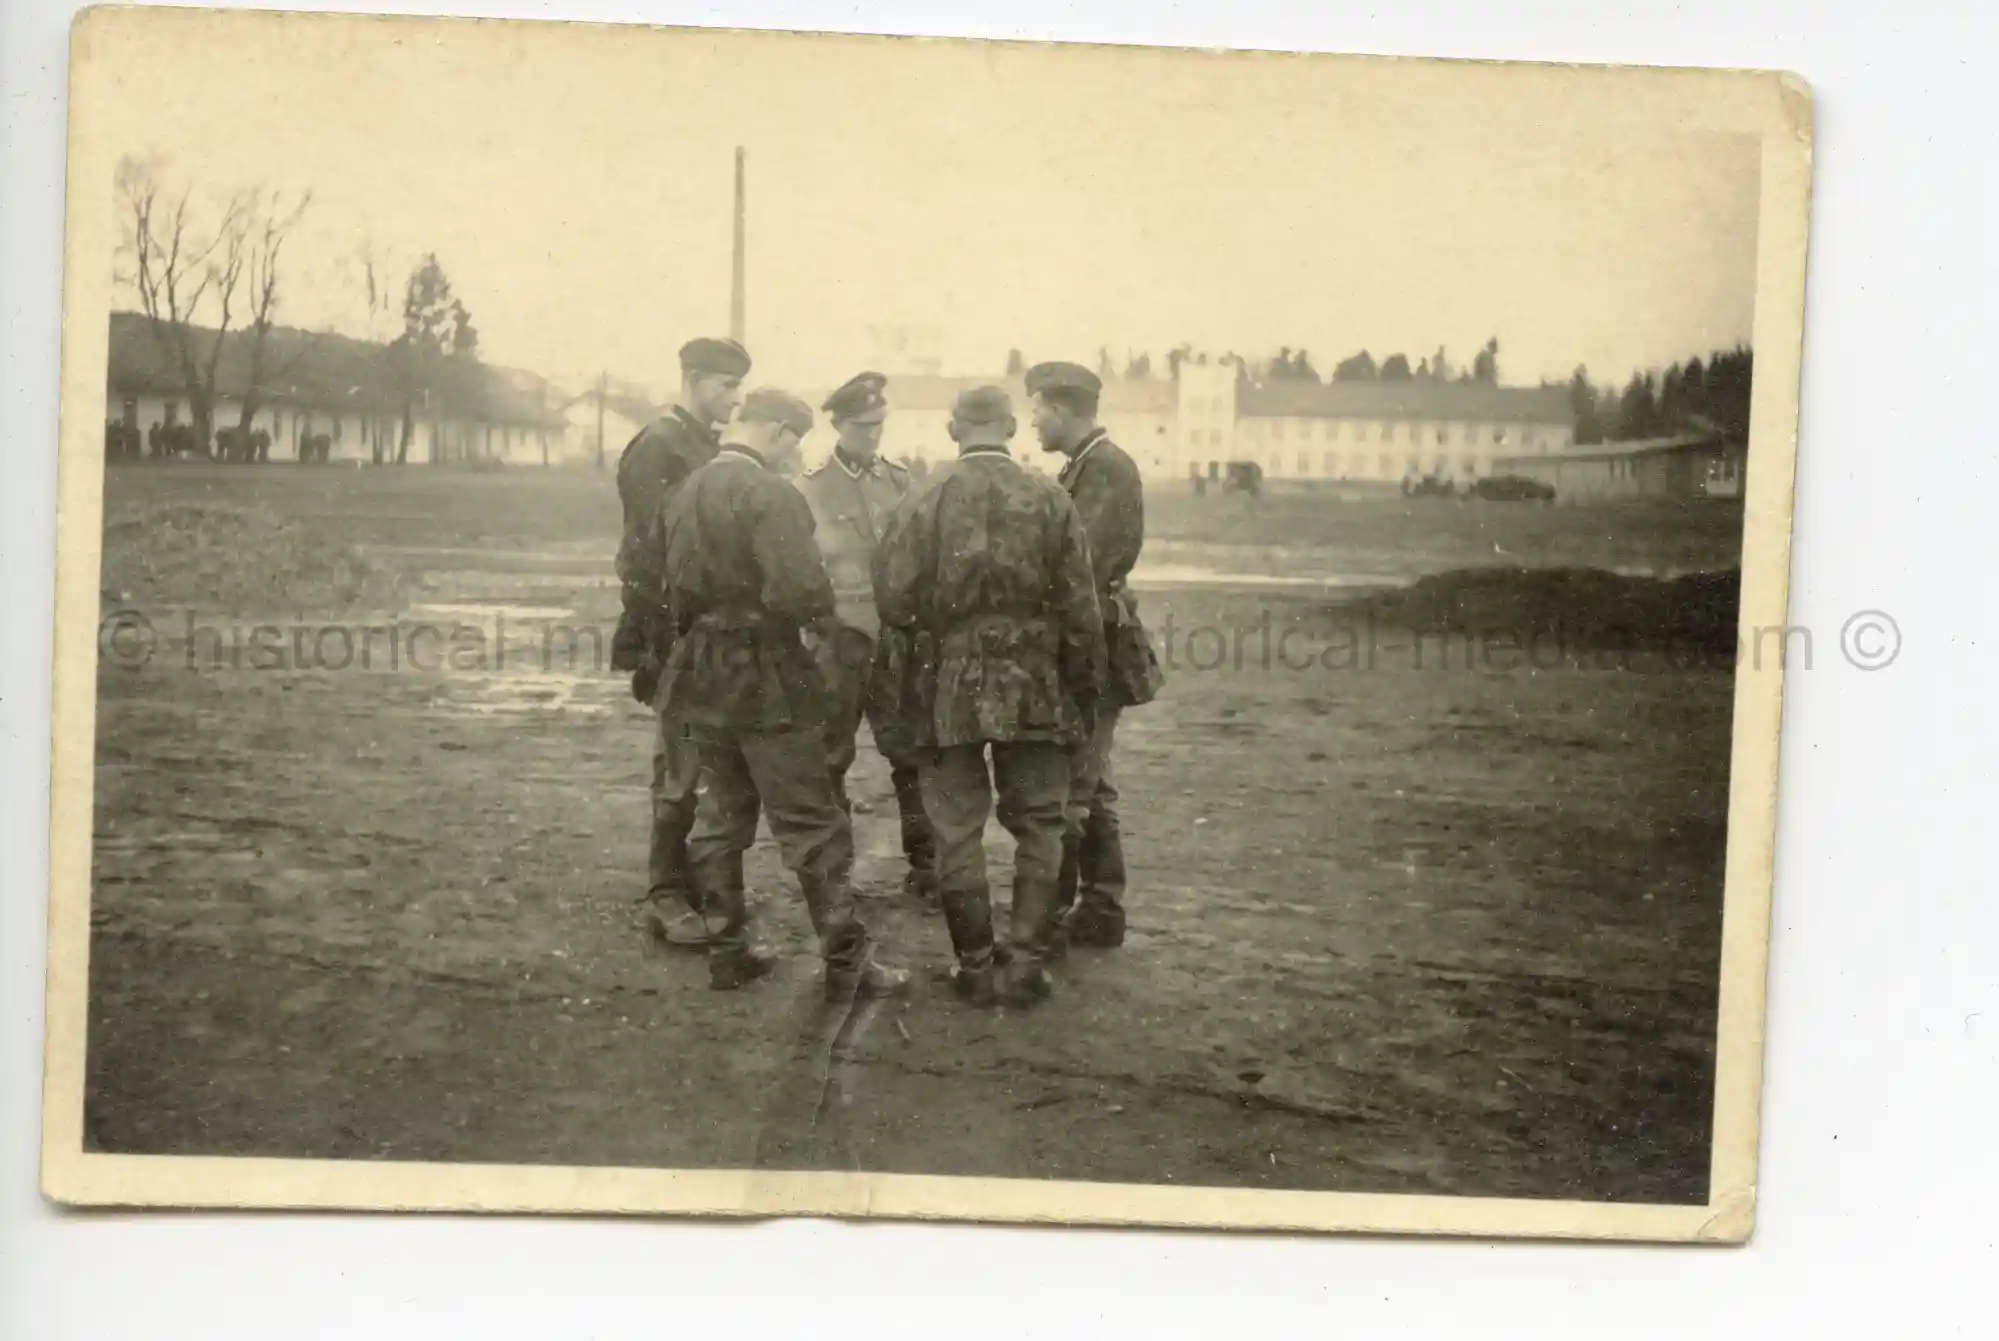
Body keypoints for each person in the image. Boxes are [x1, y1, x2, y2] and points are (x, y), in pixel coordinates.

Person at [655, 387, 909, 999]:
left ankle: (729, 951)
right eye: (792, 438)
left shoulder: (686, 490)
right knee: (811, 819)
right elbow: (801, 591)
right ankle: (847, 966)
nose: (793, 450)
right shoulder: (771, 493)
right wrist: (823, 637)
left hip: (698, 672)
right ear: (778, 433)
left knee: (720, 815)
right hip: (763, 673)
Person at [872, 386, 1106, 1008]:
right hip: (1036, 683)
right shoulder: (1051, 496)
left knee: (956, 828)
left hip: (947, 683)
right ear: (1011, 428)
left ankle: (973, 964)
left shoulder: (921, 496)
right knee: (1041, 825)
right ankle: (1026, 962)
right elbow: (1082, 608)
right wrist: (1084, 692)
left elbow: (893, 600)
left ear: (953, 429)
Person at [612, 336, 749, 956]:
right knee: (678, 766)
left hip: (711, 629)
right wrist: (651, 642)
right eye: (725, 385)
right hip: (672, 630)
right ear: (692, 379)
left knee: (710, 758)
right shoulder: (660, 447)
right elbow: (645, 555)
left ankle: (693, 880)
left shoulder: (708, 447)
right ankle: (664, 894)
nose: (735, 397)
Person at [1026, 361, 1166, 954]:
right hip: (1090, 639)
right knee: (1093, 780)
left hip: (1093, 646)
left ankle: (1052, 919)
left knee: (1074, 786)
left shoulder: (1105, 469)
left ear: (1061, 410)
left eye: (1036, 408)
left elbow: (1085, 568)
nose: (1032, 420)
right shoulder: (1086, 467)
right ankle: (1102, 908)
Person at [794, 371, 938, 911]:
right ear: (836, 424)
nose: (873, 435)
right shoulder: (809, 484)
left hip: (896, 643)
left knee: (912, 754)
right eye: (862, 426)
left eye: (879, 424)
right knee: (831, 757)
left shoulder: (899, 480)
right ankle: (836, 873)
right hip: (837, 644)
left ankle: (926, 866)